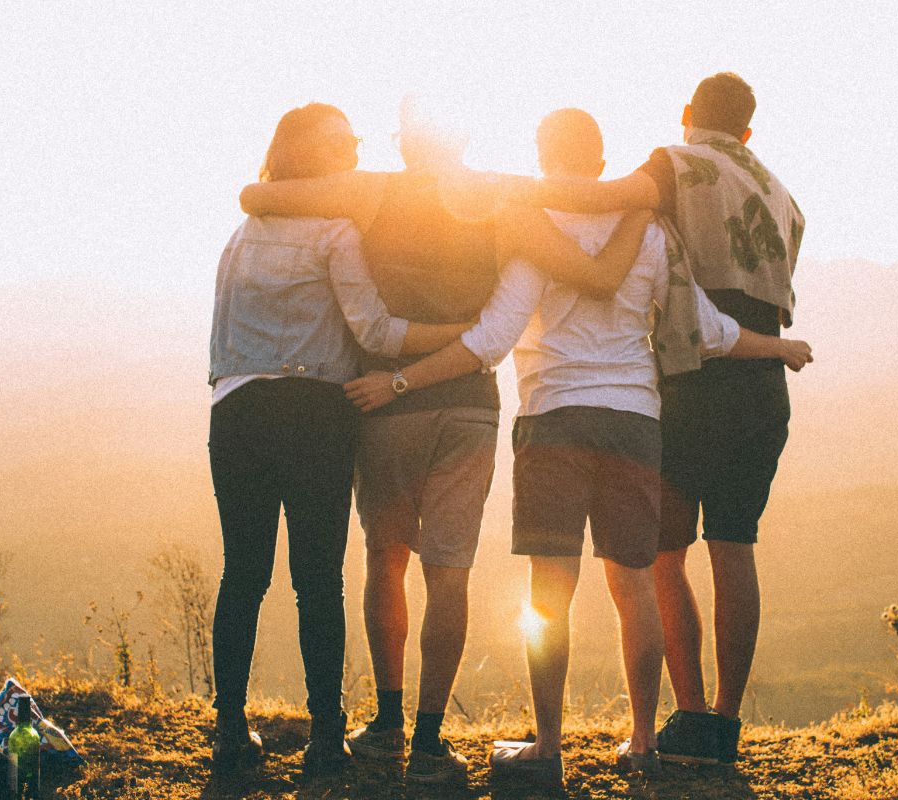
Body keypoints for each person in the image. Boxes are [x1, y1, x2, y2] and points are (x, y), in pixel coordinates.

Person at [344, 108, 812, 790]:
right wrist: (777, 348)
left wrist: (401, 379)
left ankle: (549, 748)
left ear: (542, 155)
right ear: (601, 162)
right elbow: (706, 328)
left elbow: (493, 338)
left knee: (549, 593)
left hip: (553, 420)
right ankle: (645, 743)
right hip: (634, 423)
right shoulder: (650, 231)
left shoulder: (533, 228)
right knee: (634, 585)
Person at [237, 98, 650, 784]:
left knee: (385, 556)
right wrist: (640, 205)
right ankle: (430, 739)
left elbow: (261, 194)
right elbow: (589, 272)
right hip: (467, 406)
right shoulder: (500, 200)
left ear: (404, 145)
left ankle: (387, 721)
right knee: (448, 571)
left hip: (384, 401)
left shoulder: (371, 192)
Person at [515, 73, 807, 765]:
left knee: (663, 557)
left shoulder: (675, 164)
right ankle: (725, 728)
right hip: (762, 382)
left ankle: (689, 717)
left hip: (694, 377)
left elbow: (603, 198)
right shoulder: (781, 193)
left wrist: (503, 194)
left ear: (686, 116)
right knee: (735, 547)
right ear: (748, 130)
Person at [206, 102, 476, 779]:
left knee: (243, 574)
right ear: (315, 156)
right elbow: (377, 334)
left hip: (236, 410)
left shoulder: (241, 235)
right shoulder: (335, 233)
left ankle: (230, 733)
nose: (356, 151)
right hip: (315, 415)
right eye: (345, 142)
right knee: (317, 580)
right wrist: (461, 336)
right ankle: (326, 738)